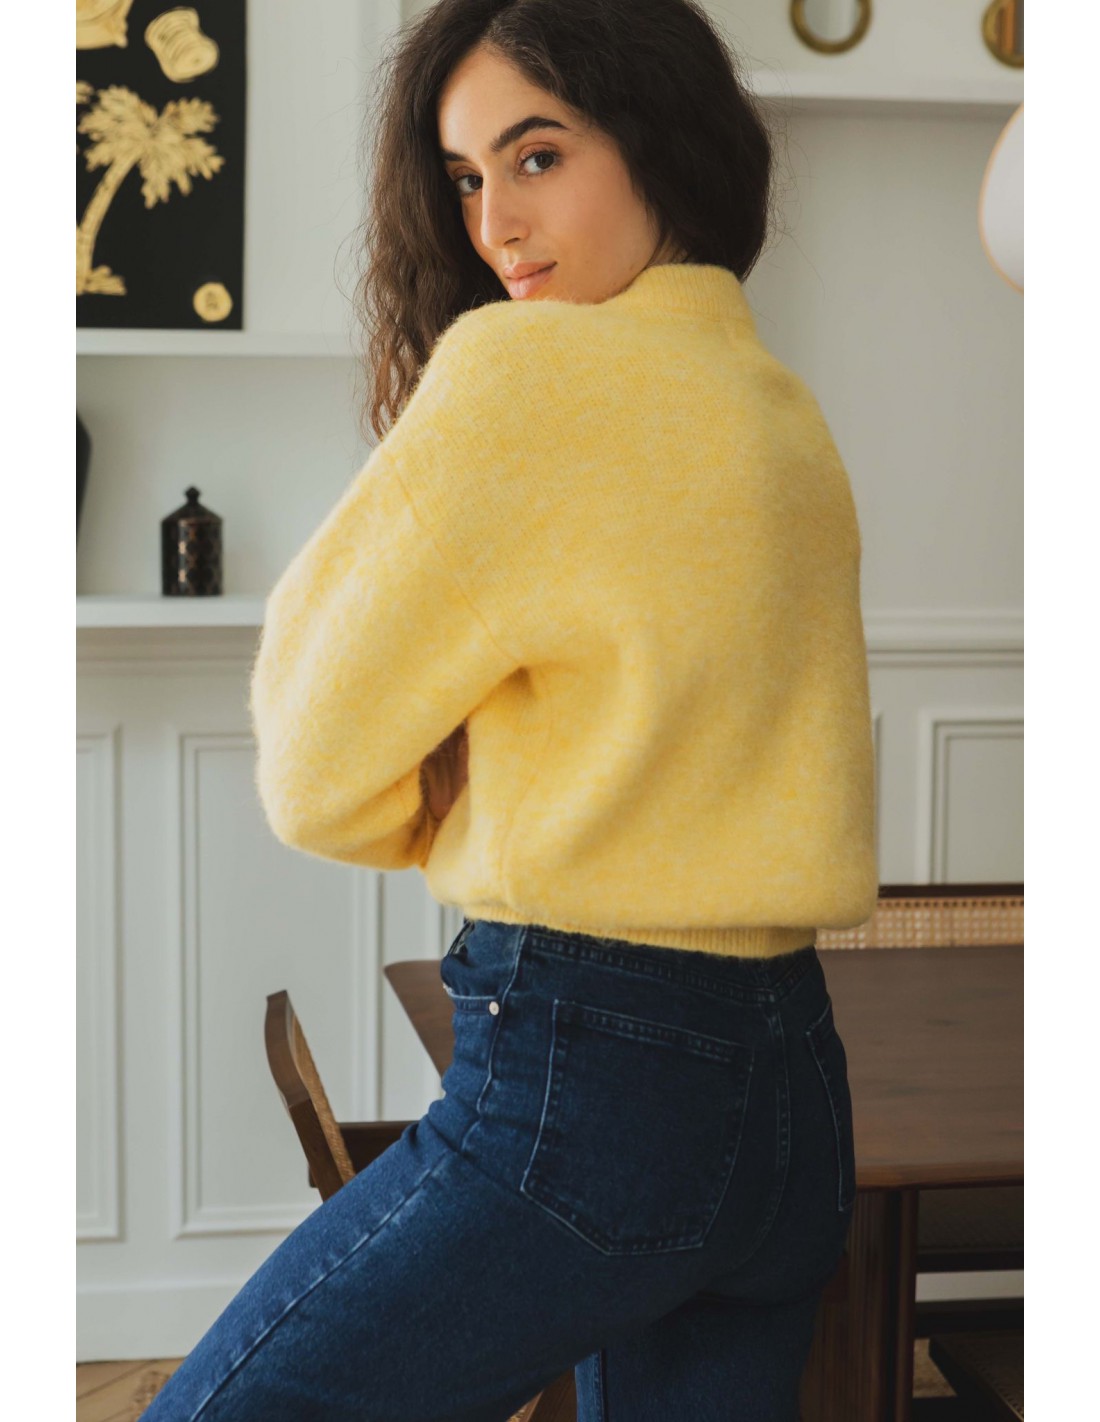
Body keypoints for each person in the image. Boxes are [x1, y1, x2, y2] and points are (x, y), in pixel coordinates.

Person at [141, 1, 876, 1418]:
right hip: (793, 1095)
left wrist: (432, 809)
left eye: (537, 157)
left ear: (657, 139)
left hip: (589, 1088)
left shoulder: (526, 375)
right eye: (469, 177)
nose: (495, 226)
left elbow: (311, 763)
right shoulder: (780, 409)